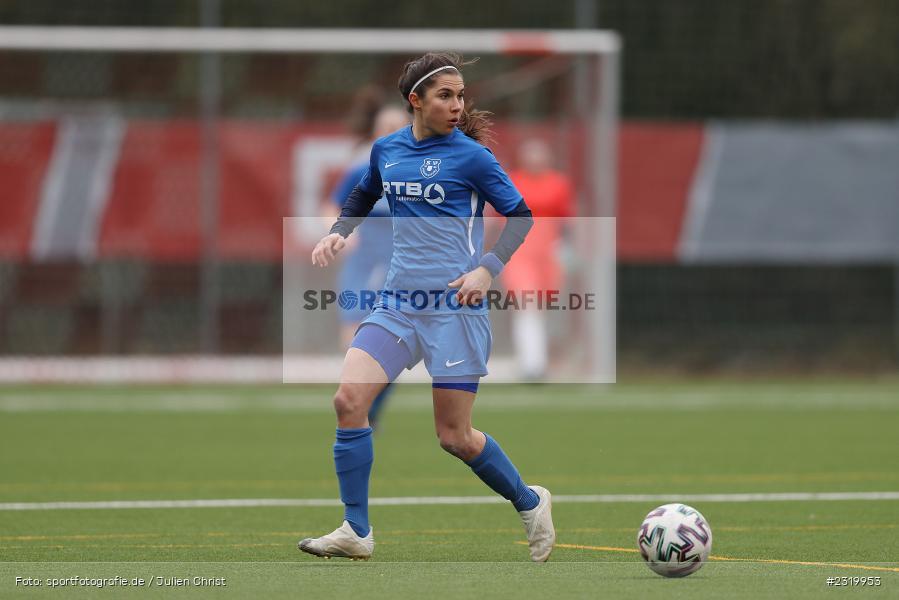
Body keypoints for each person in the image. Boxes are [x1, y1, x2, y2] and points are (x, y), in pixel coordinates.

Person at [298, 52, 555, 562]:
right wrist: (338, 232)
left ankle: (529, 501)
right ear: (415, 100)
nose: (457, 105)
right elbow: (363, 194)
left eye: (460, 95)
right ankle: (356, 529)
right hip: (396, 303)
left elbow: (521, 217)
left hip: (454, 309)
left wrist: (486, 268)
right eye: (445, 95)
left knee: (454, 437)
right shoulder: (387, 150)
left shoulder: (473, 158)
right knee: (349, 402)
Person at [331, 99, 410, 428]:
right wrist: (341, 234)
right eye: (386, 127)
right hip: (364, 260)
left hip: (403, 263)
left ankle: (370, 409)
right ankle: (363, 403)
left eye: (399, 126)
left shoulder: (426, 168)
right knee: (352, 338)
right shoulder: (363, 166)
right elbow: (333, 205)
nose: (392, 132)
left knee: (393, 342)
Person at [505, 138, 575, 380]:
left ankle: (543, 358)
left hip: (548, 251)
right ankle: (532, 364)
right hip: (520, 250)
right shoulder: (513, 181)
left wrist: (565, 248)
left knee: (545, 307)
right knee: (527, 305)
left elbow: (566, 219)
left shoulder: (558, 183)